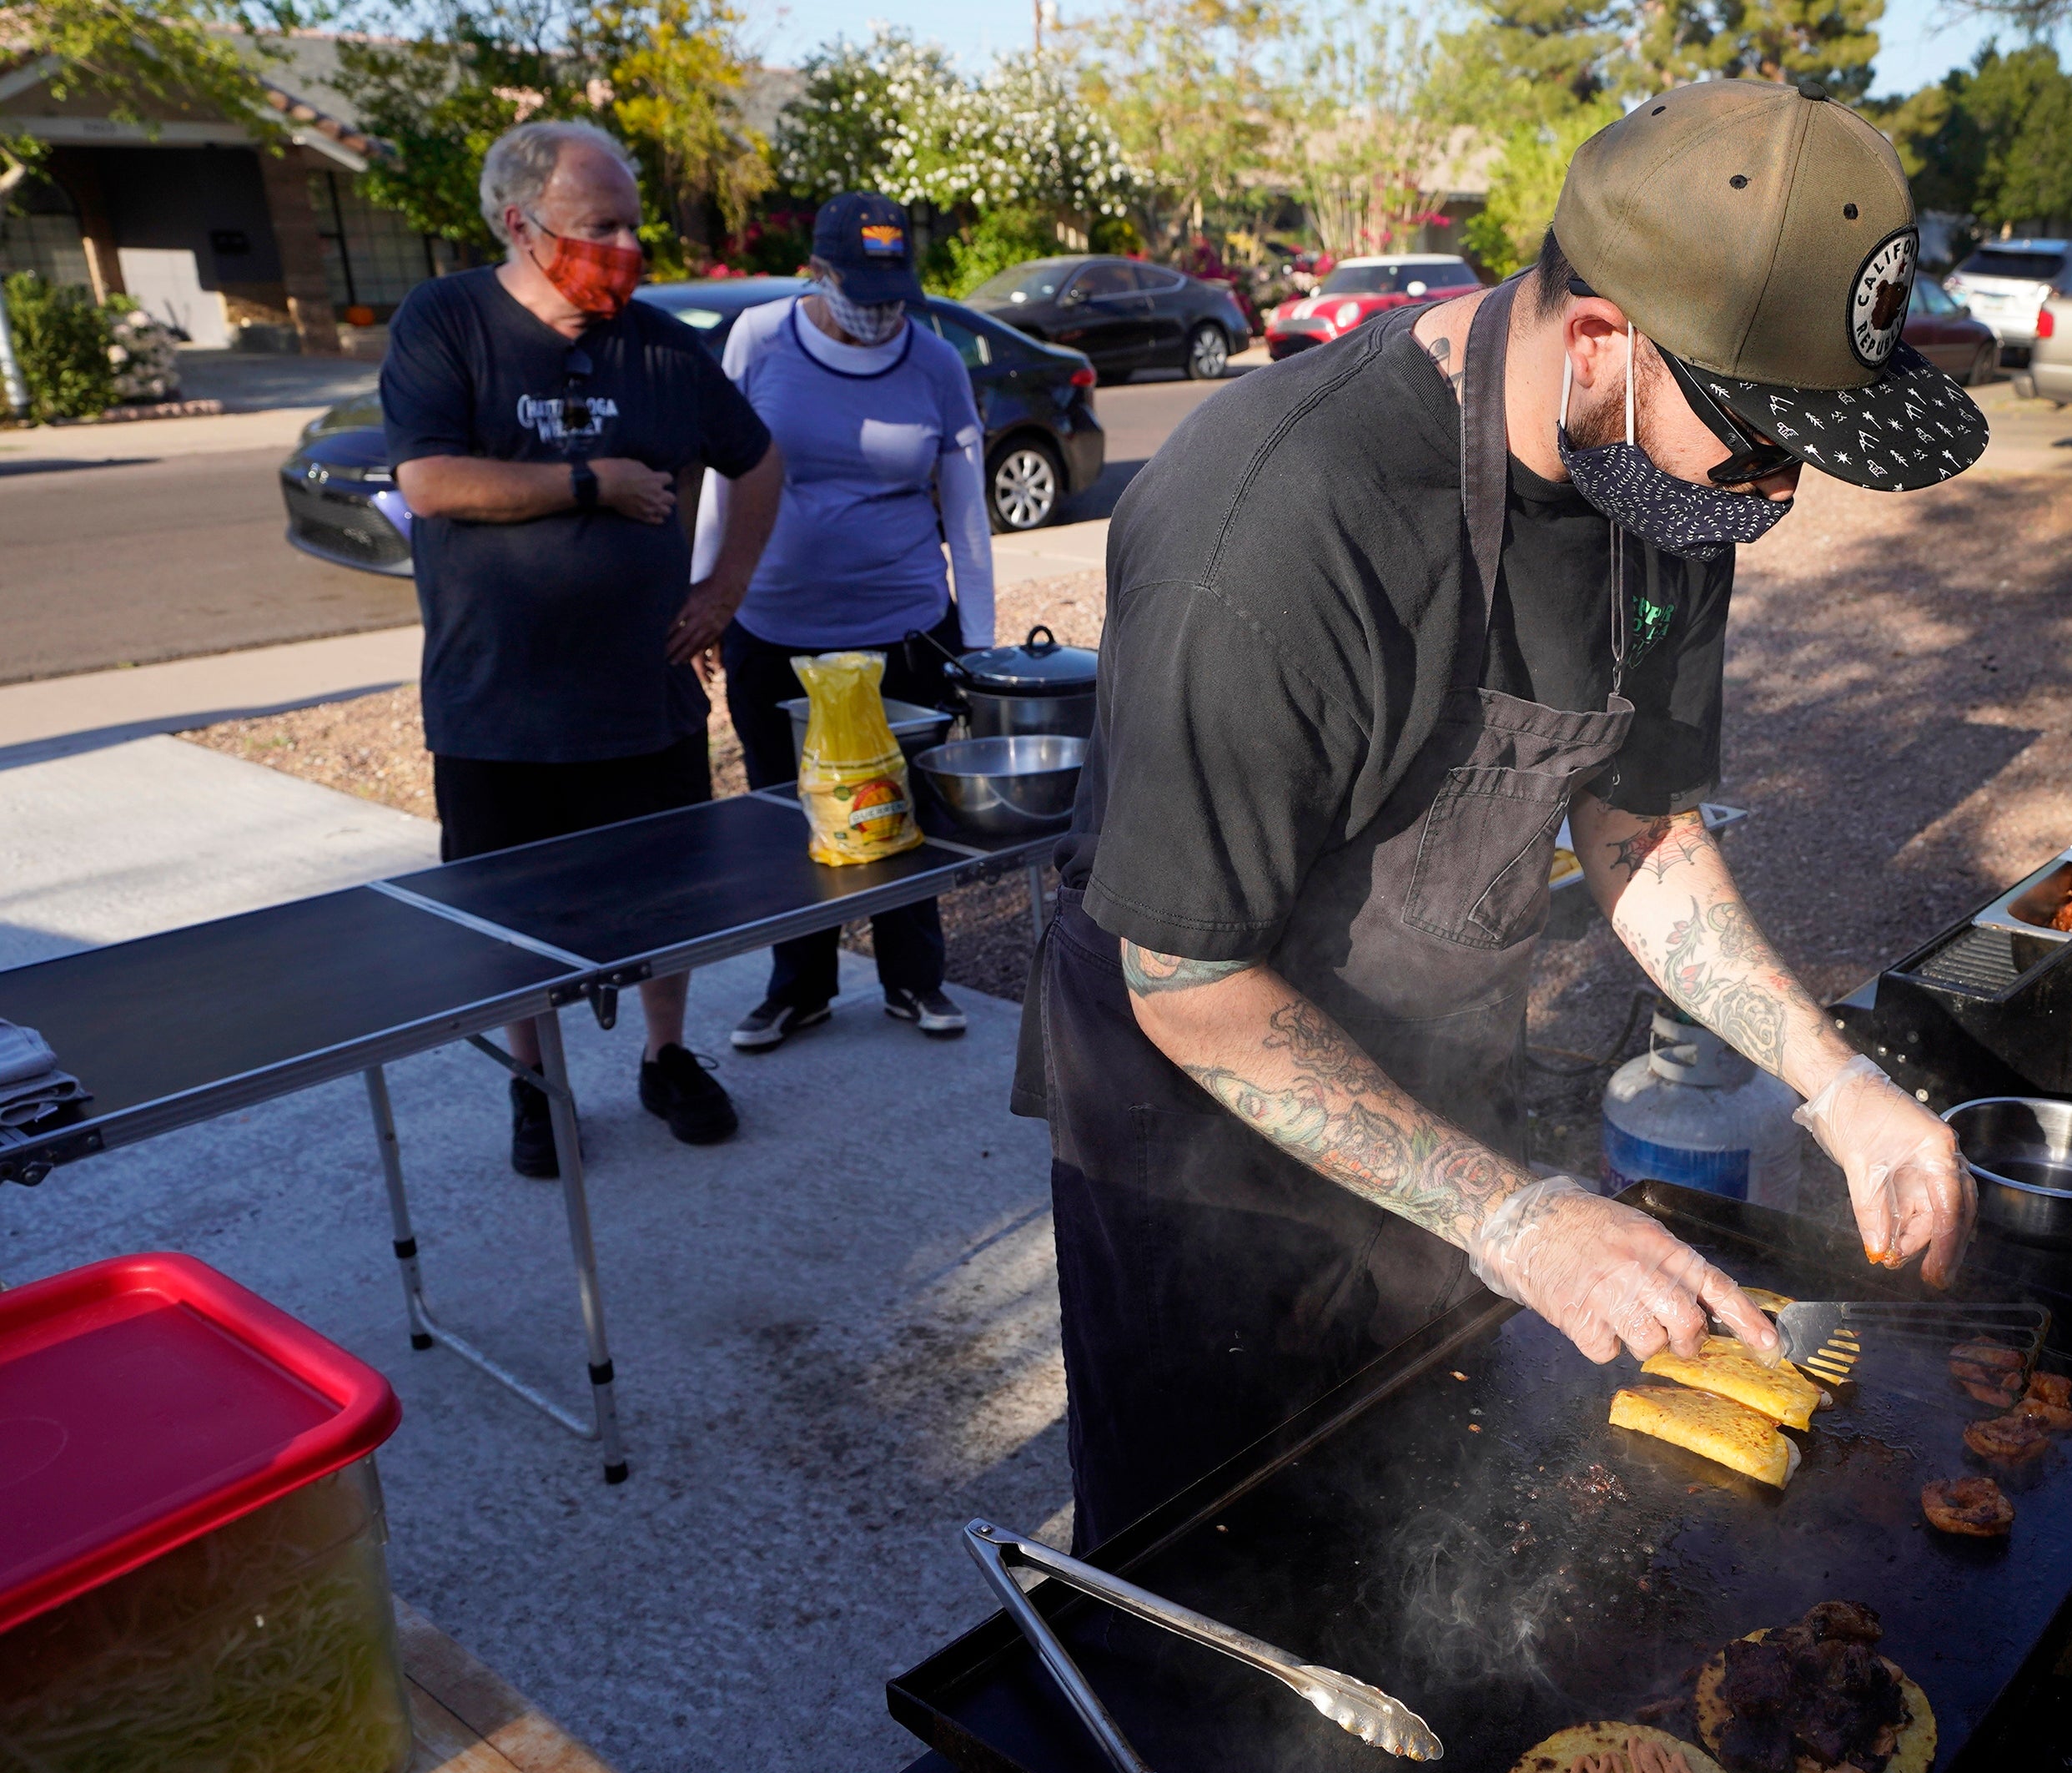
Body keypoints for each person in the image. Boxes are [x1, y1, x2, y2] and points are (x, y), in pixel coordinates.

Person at [1018, 78, 1990, 1547]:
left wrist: (1834, 1083)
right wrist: (1512, 1216)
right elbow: (1187, 980)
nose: (1776, 498)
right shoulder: (1276, 527)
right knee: (1209, 1595)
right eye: (1759, 447)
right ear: (1602, 343)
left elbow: (1640, 829)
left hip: (1454, 1110)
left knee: (1433, 1542)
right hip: (1202, 1166)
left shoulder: (1664, 487)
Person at [385, 120, 782, 1176]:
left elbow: (761, 460)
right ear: (521, 224)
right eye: (597, 226)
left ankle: (666, 1054)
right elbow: (428, 482)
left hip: (641, 697)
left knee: (665, 899)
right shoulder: (447, 322)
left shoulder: (661, 344)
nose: (624, 246)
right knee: (513, 918)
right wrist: (591, 480)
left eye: (631, 226)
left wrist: (725, 589)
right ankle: (536, 1084)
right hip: (494, 705)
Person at [700, 192, 988, 1050]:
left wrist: (978, 643)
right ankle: (801, 987)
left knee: (902, 805)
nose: (878, 312)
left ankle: (914, 979)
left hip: (903, 626)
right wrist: (706, 597)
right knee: (792, 811)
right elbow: (723, 477)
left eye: (893, 291)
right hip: (775, 629)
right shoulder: (757, 339)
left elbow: (967, 515)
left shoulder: (936, 363)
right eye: (858, 289)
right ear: (814, 272)